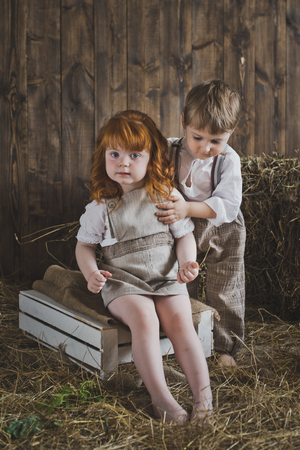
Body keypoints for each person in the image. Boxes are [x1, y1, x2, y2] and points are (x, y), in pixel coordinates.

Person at [75, 110, 213, 424]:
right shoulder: (100, 208)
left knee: (181, 322)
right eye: (115, 154)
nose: (124, 162)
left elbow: (184, 236)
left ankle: (203, 399)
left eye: (134, 154)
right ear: (104, 157)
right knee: (144, 319)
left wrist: (187, 262)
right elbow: (84, 247)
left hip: (165, 276)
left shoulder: (165, 196)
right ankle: (162, 400)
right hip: (124, 281)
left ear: (151, 158)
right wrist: (91, 274)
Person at [156, 80, 246, 367]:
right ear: (183, 122)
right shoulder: (168, 150)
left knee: (224, 286)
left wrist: (187, 208)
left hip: (222, 227)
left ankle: (224, 348)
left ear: (230, 135)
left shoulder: (228, 162)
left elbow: (228, 205)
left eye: (216, 140)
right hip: (178, 227)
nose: (206, 147)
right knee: (179, 279)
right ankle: (184, 340)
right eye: (197, 137)